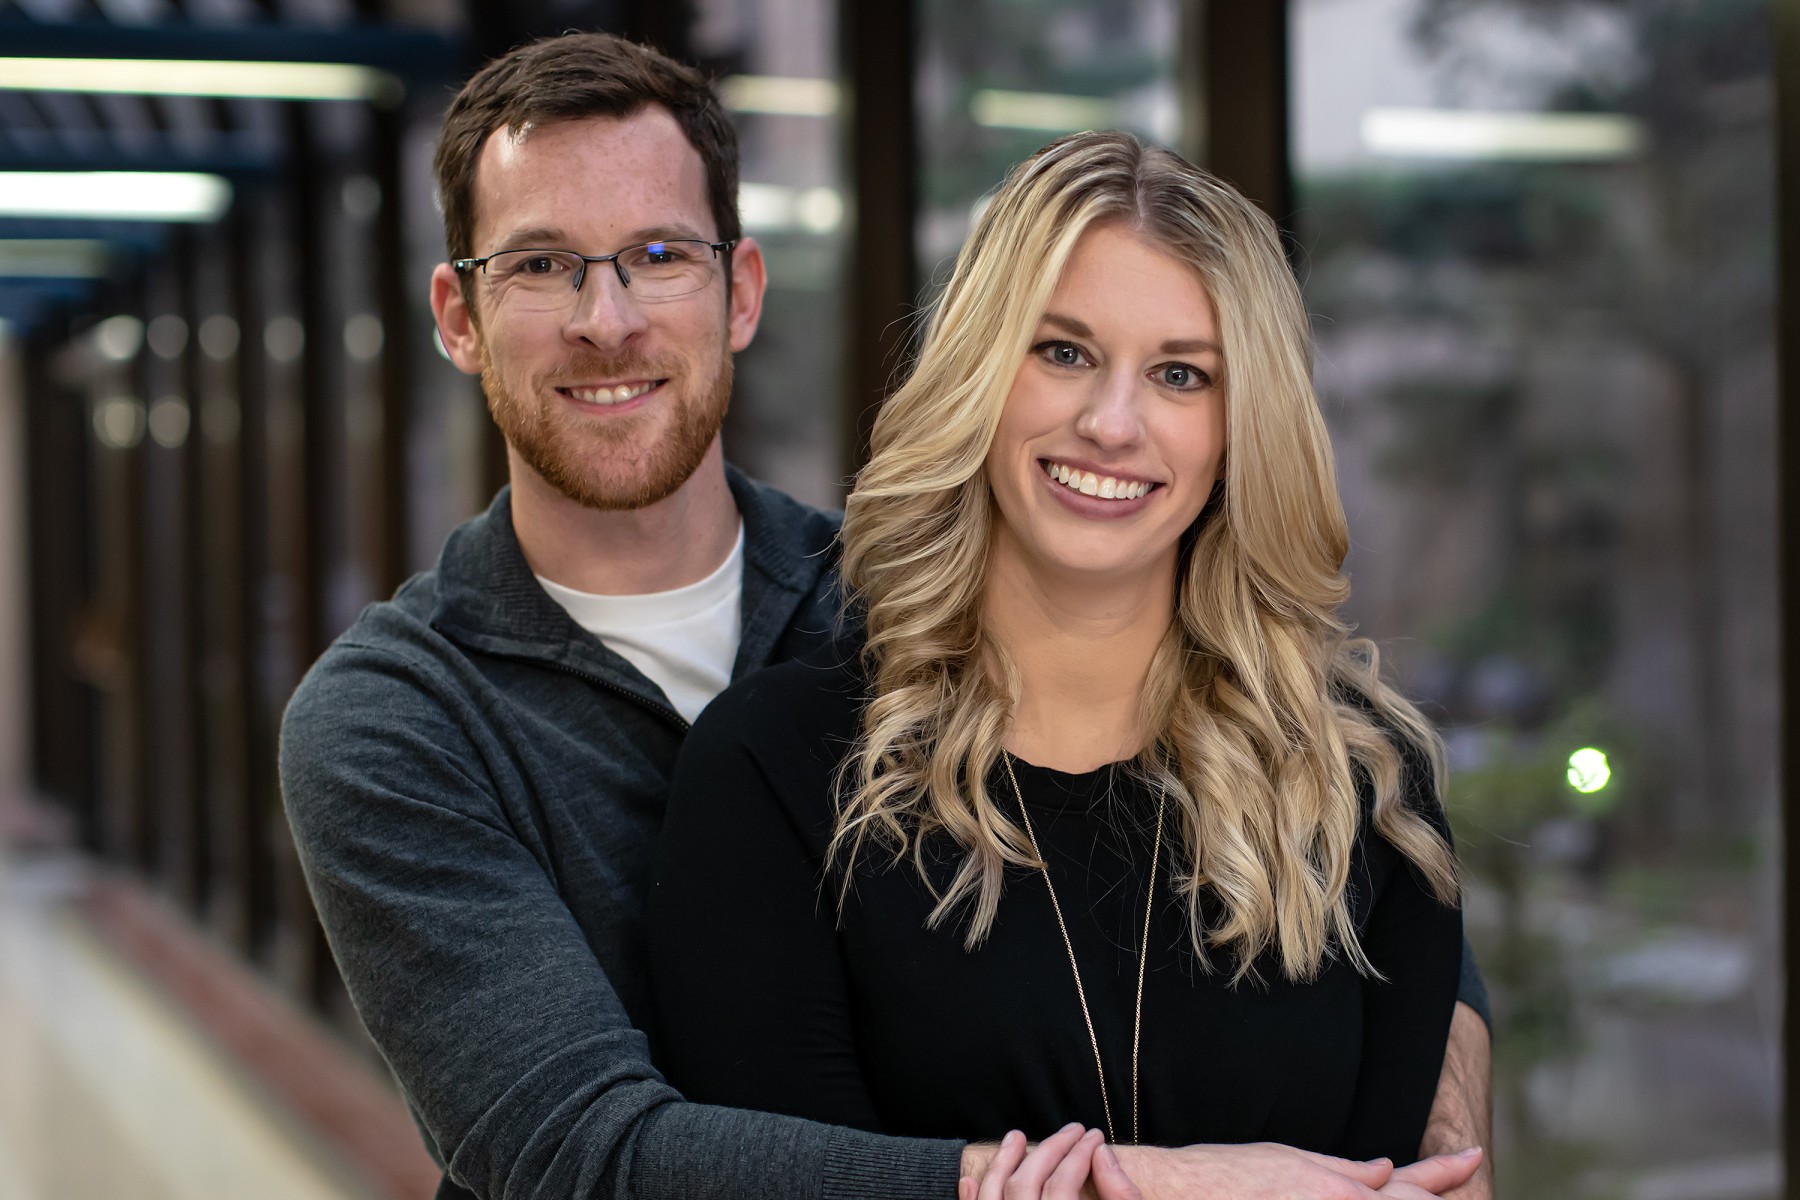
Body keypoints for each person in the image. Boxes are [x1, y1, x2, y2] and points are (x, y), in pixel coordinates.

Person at [278, 30, 1491, 1200]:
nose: (608, 319)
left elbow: (1355, 889)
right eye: (541, 265)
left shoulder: (891, 593)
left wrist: (1441, 1121)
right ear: (458, 316)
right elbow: (581, 1158)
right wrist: (1139, 1187)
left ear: (740, 292)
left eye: (658, 253)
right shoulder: (397, 720)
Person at [649, 130, 1479, 1197]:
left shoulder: (1357, 781)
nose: (1111, 424)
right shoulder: (777, 771)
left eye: (1181, 374)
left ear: (1241, 429)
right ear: (982, 375)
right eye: (1065, 353)